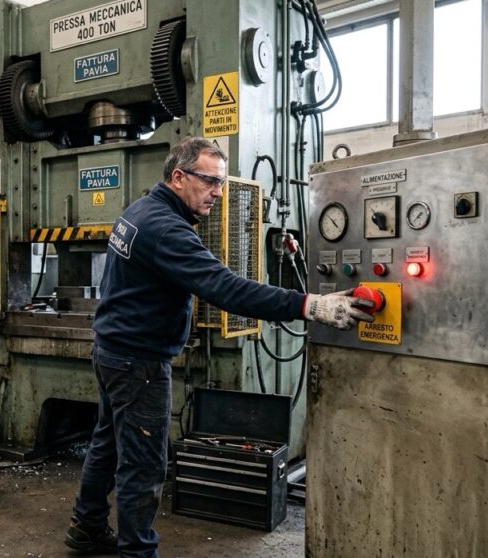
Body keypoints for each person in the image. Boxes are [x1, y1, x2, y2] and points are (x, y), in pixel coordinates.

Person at [64, 137, 374, 557]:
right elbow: (227, 289)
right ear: (178, 177)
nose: (218, 192)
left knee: (109, 443)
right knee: (144, 464)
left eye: (222, 183)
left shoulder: (140, 210)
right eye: (210, 181)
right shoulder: (167, 230)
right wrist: (309, 304)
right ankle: (137, 551)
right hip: (139, 363)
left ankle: (86, 526)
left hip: (112, 351)